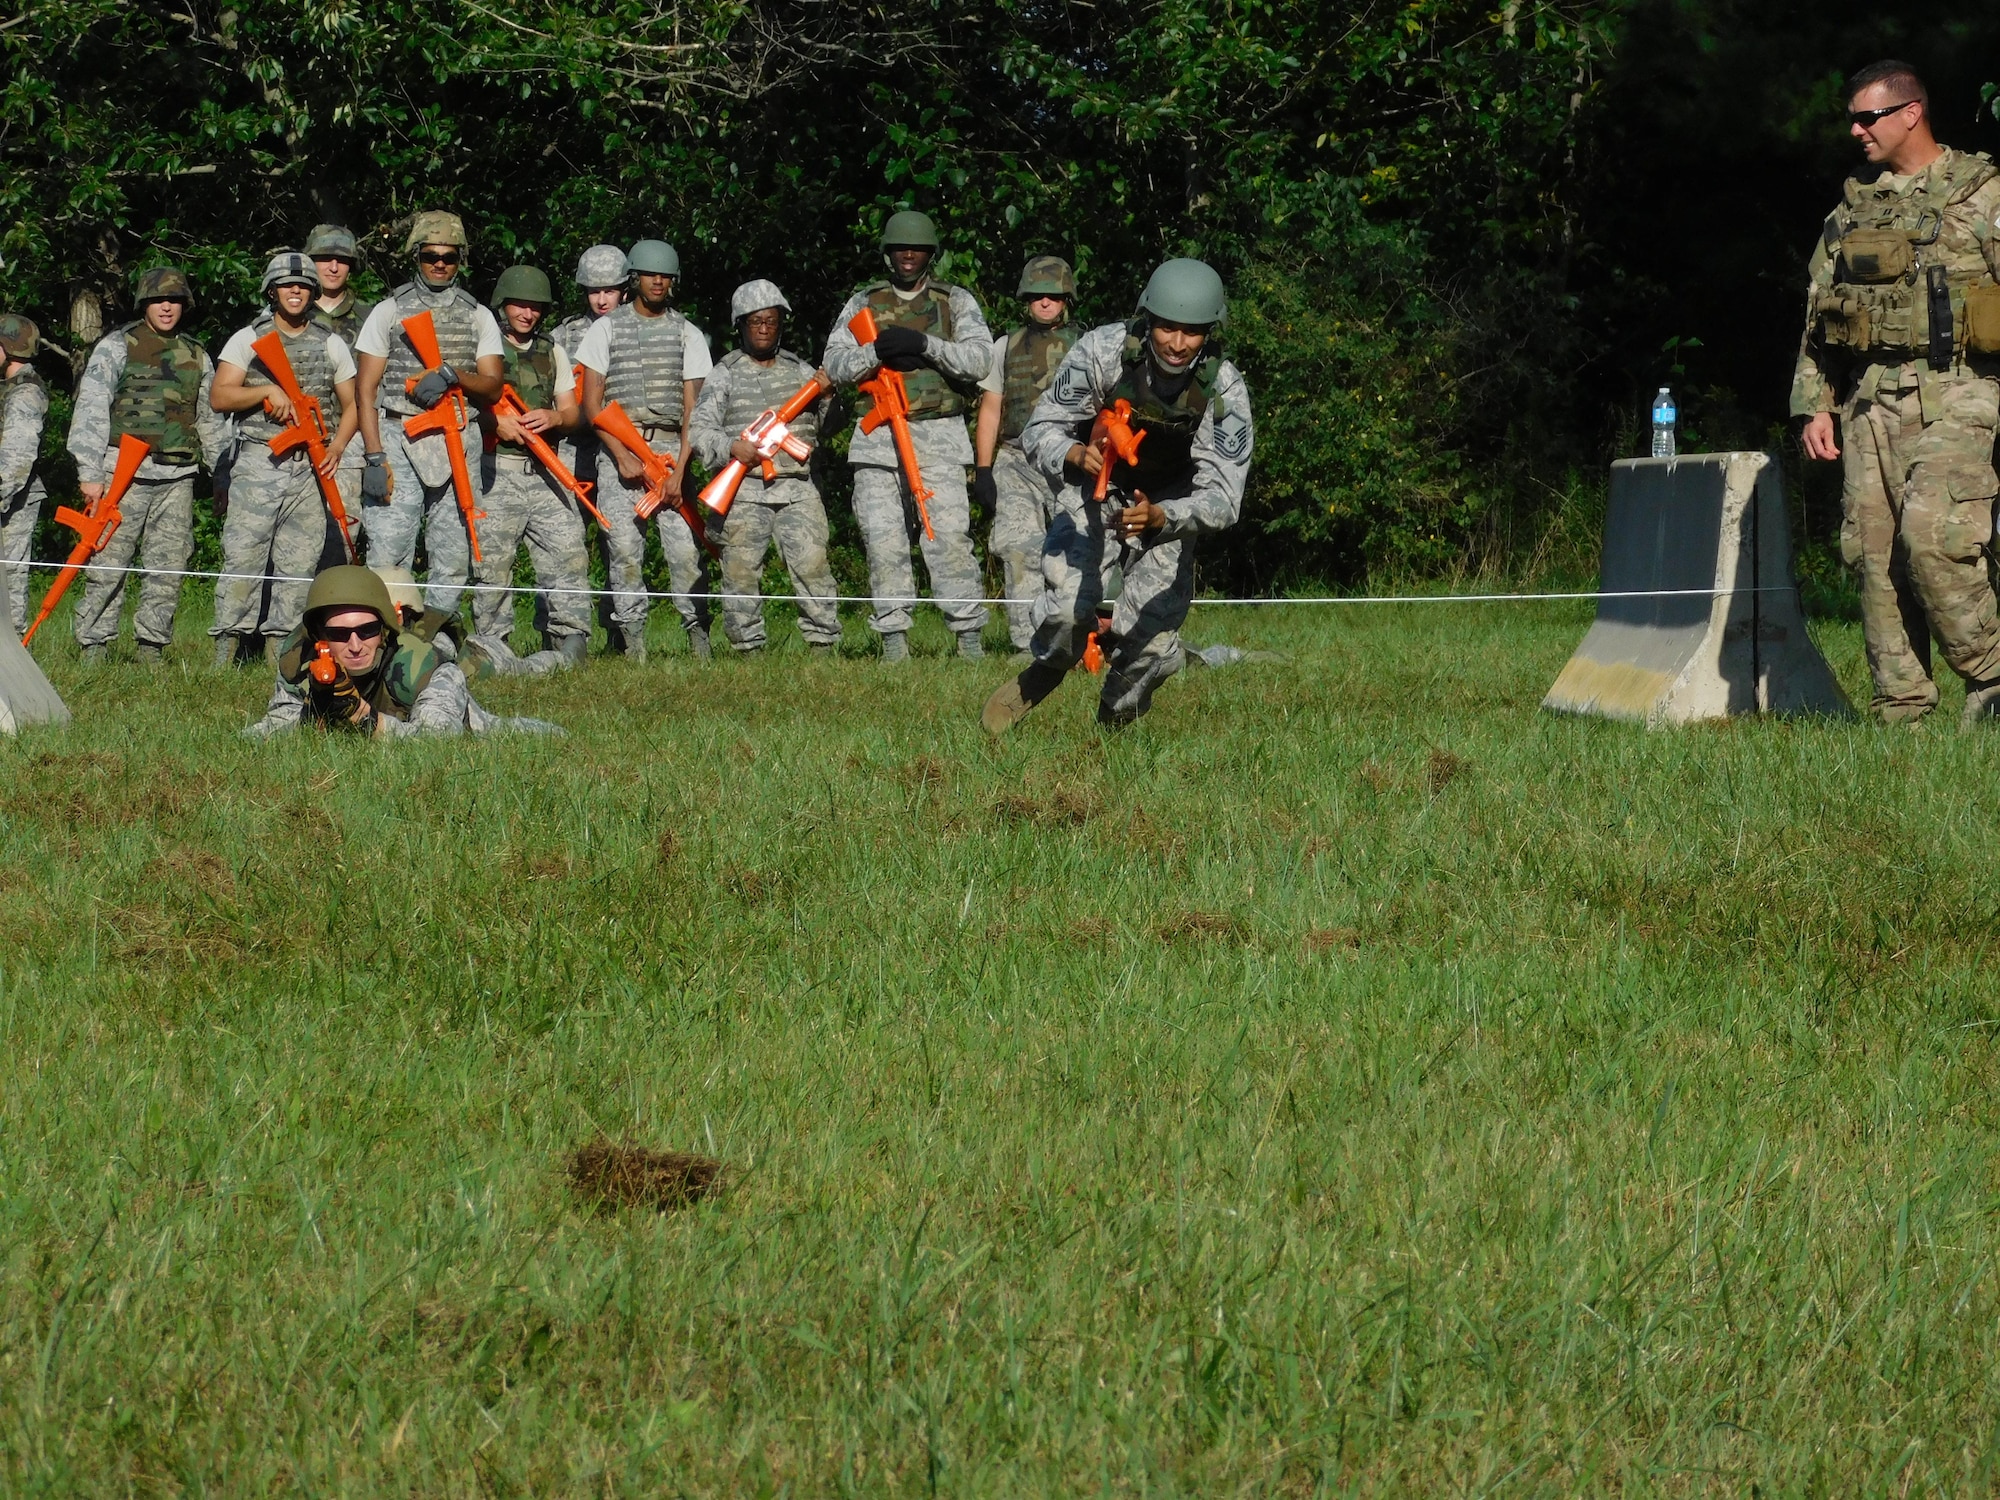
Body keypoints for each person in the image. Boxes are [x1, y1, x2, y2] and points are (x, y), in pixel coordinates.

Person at [1793, 61, 2000, 727]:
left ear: (1911, 112)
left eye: (1868, 117)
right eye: (1852, 119)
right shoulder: (1854, 211)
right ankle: (1900, 711)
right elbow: (1818, 312)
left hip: (1959, 391)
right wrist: (1814, 403)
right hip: (1866, 401)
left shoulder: (1983, 194)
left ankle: (1992, 678)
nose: (1856, 130)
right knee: (1870, 554)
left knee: (1934, 536)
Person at [981, 257, 1254, 732]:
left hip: (1168, 507)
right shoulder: (1102, 351)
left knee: (1149, 643)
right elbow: (1041, 426)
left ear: (1211, 331)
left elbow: (1224, 497)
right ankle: (1043, 671)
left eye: (1191, 332)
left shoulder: (1223, 390)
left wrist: (1163, 517)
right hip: (1095, 490)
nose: (1176, 342)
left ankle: (1114, 719)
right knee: (1068, 607)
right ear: (1147, 319)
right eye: (1166, 327)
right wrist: (1071, 454)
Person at [822, 210, 993, 661]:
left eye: (916, 249)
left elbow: (979, 361)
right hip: (877, 440)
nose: (909, 256)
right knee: (883, 541)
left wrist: (924, 346)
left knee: (949, 538)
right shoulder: (864, 301)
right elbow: (834, 366)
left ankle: (968, 639)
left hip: (938, 435)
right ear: (888, 254)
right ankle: (894, 642)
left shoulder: (954, 301)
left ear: (930, 254)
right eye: (900, 249)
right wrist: (875, 350)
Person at [352, 210, 505, 642]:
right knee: (388, 549)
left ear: (461, 260)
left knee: (454, 551)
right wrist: (375, 456)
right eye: (430, 256)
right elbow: (366, 390)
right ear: (416, 256)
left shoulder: (478, 316)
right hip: (401, 434)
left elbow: (492, 386)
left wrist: (455, 374)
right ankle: (381, 639)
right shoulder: (390, 310)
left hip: (459, 435)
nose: (439, 264)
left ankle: (433, 641)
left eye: (449, 257)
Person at [64, 265, 229, 663]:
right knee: (108, 563)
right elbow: (90, 410)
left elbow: (208, 419)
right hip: (122, 475)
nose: (167, 307)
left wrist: (221, 475)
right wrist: (89, 473)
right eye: (158, 300)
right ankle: (94, 647)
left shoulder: (197, 354)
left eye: (174, 300)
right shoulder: (117, 346)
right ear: (144, 304)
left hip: (178, 477)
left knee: (168, 567)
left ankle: (151, 649)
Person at [206, 251, 361, 667]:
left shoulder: (329, 342)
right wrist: (264, 392)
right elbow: (220, 395)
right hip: (260, 460)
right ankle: (226, 653)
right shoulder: (247, 339)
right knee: (243, 557)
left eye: (304, 286)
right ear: (271, 291)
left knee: (298, 565)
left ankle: (282, 656)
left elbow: (352, 405)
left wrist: (337, 447)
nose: (296, 291)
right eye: (288, 285)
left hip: (310, 466)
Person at [688, 280, 842, 655]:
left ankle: (823, 645)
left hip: (799, 487)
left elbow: (832, 426)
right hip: (744, 490)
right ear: (740, 325)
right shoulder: (724, 372)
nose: (763, 328)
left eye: (770, 321)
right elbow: (698, 431)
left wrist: (827, 396)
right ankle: (747, 648)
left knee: (813, 567)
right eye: (755, 321)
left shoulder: (802, 371)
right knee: (740, 573)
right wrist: (732, 447)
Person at [577, 238, 713, 660]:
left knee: (686, 553)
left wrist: (679, 471)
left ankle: (699, 638)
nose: (658, 281)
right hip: (620, 449)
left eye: (665, 276)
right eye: (651, 274)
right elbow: (591, 403)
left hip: (672, 449)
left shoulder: (687, 332)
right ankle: (633, 643)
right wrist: (620, 456)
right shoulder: (606, 328)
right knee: (622, 552)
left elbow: (695, 408)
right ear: (635, 279)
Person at [243, 564, 559, 738]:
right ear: (318, 636)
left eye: (366, 630)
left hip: (470, 726)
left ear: (384, 630)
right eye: (340, 634)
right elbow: (276, 725)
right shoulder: (301, 662)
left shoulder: (425, 667)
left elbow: (434, 742)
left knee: (531, 734)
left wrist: (360, 716)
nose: (355, 645)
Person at [473, 264, 591, 665]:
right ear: (502, 305)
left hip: (546, 469)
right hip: (494, 470)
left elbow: (573, 413)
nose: (527, 313)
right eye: (519, 305)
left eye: (536, 307)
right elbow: (460, 407)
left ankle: (569, 639)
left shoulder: (552, 349)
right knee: (492, 562)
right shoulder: (483, 348)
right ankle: (492, 644)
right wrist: (495, 422)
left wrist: (556, 419)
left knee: (568, 552)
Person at [975, 256, 1081, 656]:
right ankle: (1026, 643)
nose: (1045, 302)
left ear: (1066, 298)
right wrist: (983, 470)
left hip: (1070, 460)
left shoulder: (1087, 344)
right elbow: (991, 408)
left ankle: (1075, 637)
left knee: (1075, 552)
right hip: (1016, 459)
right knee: (1019, 548)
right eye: (1037, 294)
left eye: (1053, 294)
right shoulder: (1006, 345)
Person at [304, 223, 375, 568]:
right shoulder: (289, 313)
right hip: (296, 443)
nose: (333, 267)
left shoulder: (371, 319)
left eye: (341, 260)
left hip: (350, 444)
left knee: (342, 537)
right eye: (323, 258)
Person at [0, 314, 49, 639]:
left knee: (9, 582)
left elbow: (15, 462)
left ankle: (12, 660)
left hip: (12, 501)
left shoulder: (25, 394)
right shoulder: (9, 389)